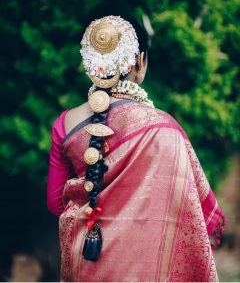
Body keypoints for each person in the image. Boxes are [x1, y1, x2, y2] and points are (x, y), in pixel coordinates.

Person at [47, 15, 225, 282]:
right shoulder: (165, 128)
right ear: (139, 61)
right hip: (147, 269)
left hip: (86, 267)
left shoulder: (65, 124)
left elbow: (55, 202)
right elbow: (187, 212)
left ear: (90, 63)